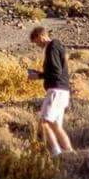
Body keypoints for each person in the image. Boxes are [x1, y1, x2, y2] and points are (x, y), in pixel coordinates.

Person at [28, 26, 74, 156]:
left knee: (44, 122)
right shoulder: (57, 46)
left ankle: (56, 153)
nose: (37, 45)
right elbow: (56, 70)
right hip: (62, 91)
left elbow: (56, 71)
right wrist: (40, 74)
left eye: (36, 42)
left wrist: (38, 76)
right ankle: (69, 153)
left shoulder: (52, 47)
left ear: (40, 36)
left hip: (56, 90)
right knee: (55, 125)